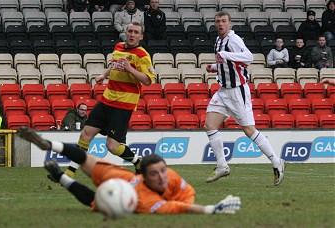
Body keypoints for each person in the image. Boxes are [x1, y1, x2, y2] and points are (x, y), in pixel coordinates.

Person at [17, 126, 241, 215]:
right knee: (95, 197)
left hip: (120, 177)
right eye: (155, 174)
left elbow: (185, 199)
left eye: (163, 171)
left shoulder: (171, 178)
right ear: (143, 176)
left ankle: (55, 162)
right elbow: (178, 207)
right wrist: (211, 209)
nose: (162, 176)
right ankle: (51, 152)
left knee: (86, 166)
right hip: (117, 181)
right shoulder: (146, 201)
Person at [205, 11, 285, 186]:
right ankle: (222, 166)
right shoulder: (219, 40)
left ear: (230, 23)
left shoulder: (233, 39)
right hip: (223, 90)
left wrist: (225, 56)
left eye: (224, 21)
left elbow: (248, 58)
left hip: (237, 91)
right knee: (209, 125)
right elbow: (227, 64)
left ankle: (276, 161)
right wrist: (214, 66)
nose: (220, 24)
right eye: (217, 21)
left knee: (249, 131)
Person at [65, 22, 155, 178]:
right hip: (107, 99)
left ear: (141, 36)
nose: (132, 34)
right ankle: (69, 172)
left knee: (112, 147)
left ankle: (138, 163)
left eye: (136, 32)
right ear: (125, 33)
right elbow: (114, 65)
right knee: (86, 134)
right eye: (130, 31)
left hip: (123, 105)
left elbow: (148, 81)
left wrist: (130, 69)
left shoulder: (142, 55)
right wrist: (104, 75)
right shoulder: (118, 47)